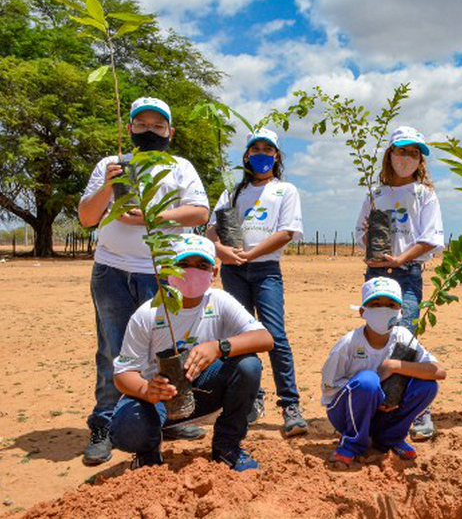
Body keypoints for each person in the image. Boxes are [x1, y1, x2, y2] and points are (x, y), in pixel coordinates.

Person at [78, 97, 210, 466]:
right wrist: (107, 187)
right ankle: (104, 424)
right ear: (129, 128)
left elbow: (200, 210)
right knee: (113, 351)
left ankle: (162, 418)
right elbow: (87, 217)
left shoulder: (181, 167)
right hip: (111, 271)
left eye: (157, 125)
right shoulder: (111, 164)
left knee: (160, 349)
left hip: (159, 270)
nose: (149, 131)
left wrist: (153, 216)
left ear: (170, 131)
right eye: (142, 124)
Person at [110, 234, 273, 471]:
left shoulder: (218, 301)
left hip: (203, 390)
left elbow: (265, 338)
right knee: (129, 427)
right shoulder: (149, 313)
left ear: (214, 273)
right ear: (168, 272)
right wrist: (146, 390)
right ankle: (147, 452)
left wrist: (218, 347)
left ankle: (227, 446)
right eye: (183, 265)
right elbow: (122, 375)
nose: (192, 272)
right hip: (158, 399)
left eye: (202, 266)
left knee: (248, 366)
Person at [206, 128, 307, 437]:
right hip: (233, 271)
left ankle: (290, 405)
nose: (262, 154)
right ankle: (250, 400)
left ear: (276, 155)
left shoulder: (285, 190)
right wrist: (222, 251)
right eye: (256, 149)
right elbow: (212, 229)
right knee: (239, 334)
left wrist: (250, 254)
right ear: (247, 155)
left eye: (268, 149)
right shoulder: (232, 193)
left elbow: (286, 232)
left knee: (274, 334)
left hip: (265, 271)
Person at [355, 125, 444, 442]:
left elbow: (431, 238)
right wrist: (371, 244)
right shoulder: (375, 195)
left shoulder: (424, 194)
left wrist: (400, 259)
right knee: (377, 336)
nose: (406, 157)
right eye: (401, 151)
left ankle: (418, 410)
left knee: (405, 337)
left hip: (406, 275)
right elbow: (361, 233)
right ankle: (379, 403)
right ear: (389, 154)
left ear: (420, 160)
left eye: (413, 153)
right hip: (376, 276)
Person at [321, 277, 445, 465]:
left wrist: (394, 366)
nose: (383, 309)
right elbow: (329, 389)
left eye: (390, 304)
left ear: (400, 312)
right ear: (363, 312)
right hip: (346, 414)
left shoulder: (403, 337)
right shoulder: (349, 343)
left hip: (385, 413)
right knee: (367, 381)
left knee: (427, 386)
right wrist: (371, 398)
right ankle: (352, 444)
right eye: (376, 304)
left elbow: (438, 371)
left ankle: (390, 438)